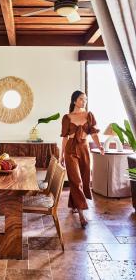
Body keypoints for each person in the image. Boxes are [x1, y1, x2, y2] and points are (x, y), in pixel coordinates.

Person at [60, 90, 104, 228]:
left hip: (84, 149)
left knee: (84, 179)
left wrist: (100, 146)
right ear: (74, 101)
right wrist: (62, 155)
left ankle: (74, 204)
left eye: (85, 99)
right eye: (81, 99)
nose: (83, 101)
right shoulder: (67, 117)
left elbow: (94, 134)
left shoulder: (89, 115)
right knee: (75, 180)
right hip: (70, 150)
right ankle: (81, 215)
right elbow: (65, 138)